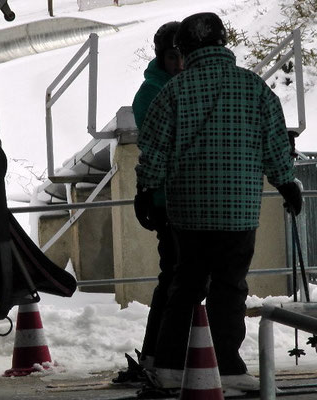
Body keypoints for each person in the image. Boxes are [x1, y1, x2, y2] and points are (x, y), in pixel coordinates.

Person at [134, 12, 302, 397]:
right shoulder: (255, 88)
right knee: (230, 287)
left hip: (188, 211)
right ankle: (226, 367)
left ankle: (172, 366)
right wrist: (286, 183)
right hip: (238, 210)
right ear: (224, 43)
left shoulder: (173, 92)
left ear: (185, 49)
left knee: (185, 285)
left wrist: (145, 191)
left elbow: (154, 150)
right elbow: (275, 145)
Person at [114, 21, 183, 385]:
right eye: (173, 57)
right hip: (169, 198)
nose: (179, 63)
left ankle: (159, 353)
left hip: (179, 196)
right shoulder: (153, 92)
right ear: (162, 57)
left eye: (182, 55)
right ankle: (161, 355)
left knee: (175, 278)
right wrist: (149, 194)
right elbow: (159, 148)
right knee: (176, 278)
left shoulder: (174, 87)